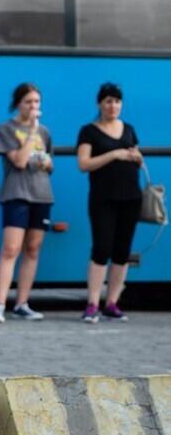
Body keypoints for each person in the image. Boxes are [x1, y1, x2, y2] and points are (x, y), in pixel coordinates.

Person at [76, 82, 144, 323]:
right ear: (99, 104)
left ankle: (112, 303)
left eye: (116, 101)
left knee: (122, 251)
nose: (113, 106)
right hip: (103, 198)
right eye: (108, 101)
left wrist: (136, 158)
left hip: (131, 197)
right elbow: (84, 164)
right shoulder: (89, 131)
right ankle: (93, 303)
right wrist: (114, 154)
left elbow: (137, 158)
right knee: (101, 248)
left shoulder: (129, 129)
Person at [0, 82, 54, 323]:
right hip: (16, 193)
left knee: (33, 249)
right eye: (29, 102)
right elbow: (18, 161)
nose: (34, 106)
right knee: (10, 249)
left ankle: (22, 303)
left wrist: (46, 162)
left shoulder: (45, 133)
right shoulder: (6, 129)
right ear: (18, 104)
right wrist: (31, 133)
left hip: (42, 194)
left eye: (37, 102)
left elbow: (49, 164)